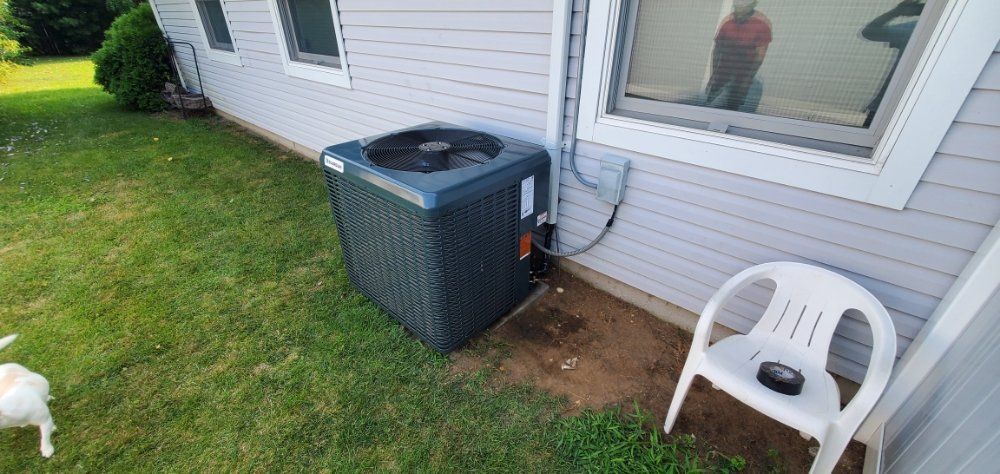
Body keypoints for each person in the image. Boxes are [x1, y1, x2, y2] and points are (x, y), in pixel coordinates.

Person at [861, 0, 924, 126]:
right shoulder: (914, 30)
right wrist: (897, 12)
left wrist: (896, 13)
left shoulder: (916, 30)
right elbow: (869, 33)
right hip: (887, 107)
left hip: (911, 110)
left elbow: (869, 33)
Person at [705, 0, 772, 112]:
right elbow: (717, 50)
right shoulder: (727, 21)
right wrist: (713, 76)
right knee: (710, 103)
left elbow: (759, 57)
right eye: (737, 7)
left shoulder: (762, 24)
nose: (739, 11)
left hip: (743, 75)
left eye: (744, 7)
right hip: (723, 73)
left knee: (733, 107)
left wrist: (747, 81)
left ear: (753, 4)